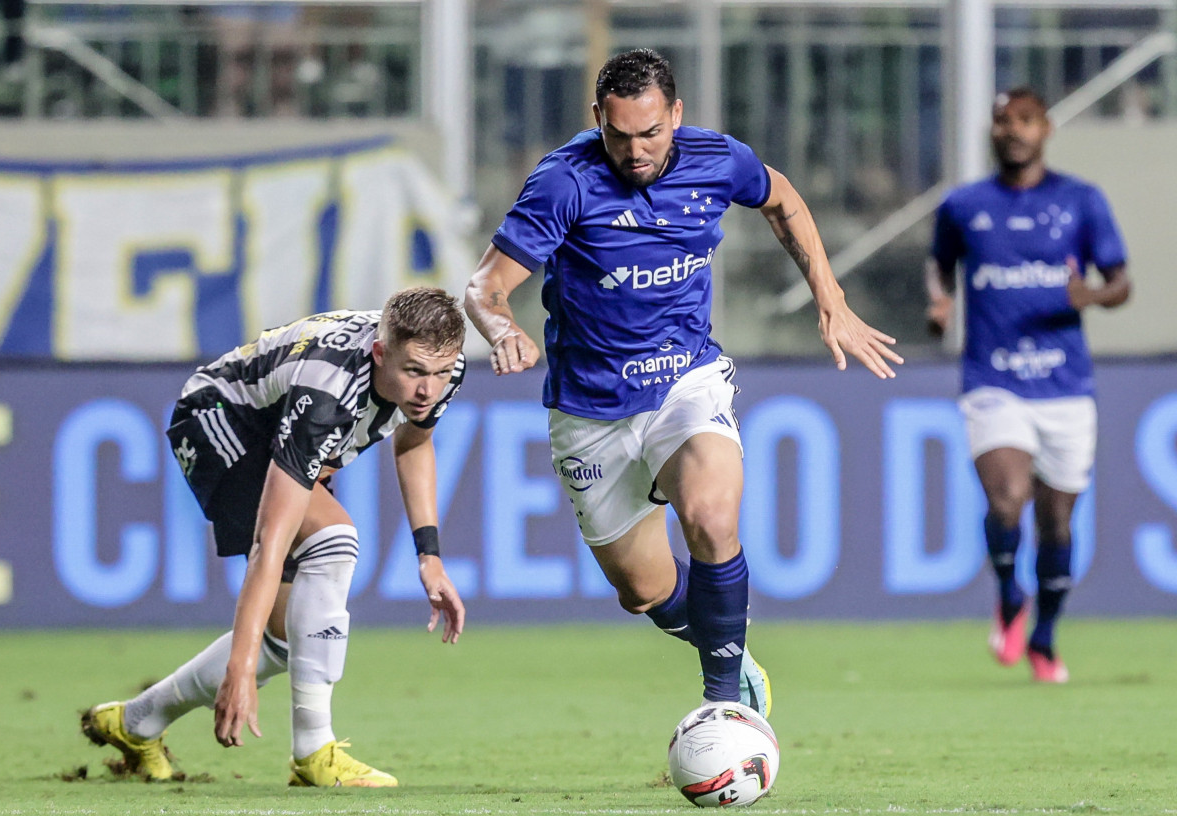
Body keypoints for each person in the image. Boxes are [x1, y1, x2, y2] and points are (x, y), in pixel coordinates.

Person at [465, 48, 901, 721]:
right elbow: (485, 286)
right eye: (618, 135)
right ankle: (728, 647)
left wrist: (830, 296)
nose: (635, 152)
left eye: (649, 133)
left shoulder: (717, 159)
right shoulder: (563, 182)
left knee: (709, 515)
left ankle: (724, 710)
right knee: (642, 591)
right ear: (597, 122)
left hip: (685, 382)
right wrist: (500, 331)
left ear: (676, 114)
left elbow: (782, 199)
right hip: (592, 410)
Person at [81, 287, 468, 785]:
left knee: (288, 638)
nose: (427, 390)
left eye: (439, 374)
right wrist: (239, 669)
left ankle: (136, 721)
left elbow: (414, 443)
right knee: (333, 540)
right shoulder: (325, 394)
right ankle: (314, 752)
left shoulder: (437, 363)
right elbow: (269, 544)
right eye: (414, 372)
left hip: (279, 426)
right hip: (220, 420)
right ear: (380, 352)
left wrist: (429, 557)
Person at [926, 88, 1131, 683]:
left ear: (1045, 129)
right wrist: (940, 300)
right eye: (1000, 121)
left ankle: (1043, 634)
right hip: (994, 379)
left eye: (1023, 120)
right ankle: (1008, 595)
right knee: (1007, 498)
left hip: (1066, 385)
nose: (1011, 130)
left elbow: (1121, 282)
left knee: (1058, 524)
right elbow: (940, 260)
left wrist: (1090, 294)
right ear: (989, 131)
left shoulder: (1081, 202)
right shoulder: (963, 205)